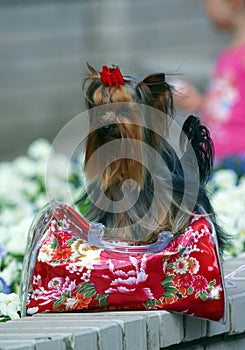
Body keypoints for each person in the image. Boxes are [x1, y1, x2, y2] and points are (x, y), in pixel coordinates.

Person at [174, 0, 245, 174]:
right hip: (217, 160)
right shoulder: (229, 53)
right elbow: (230, 107)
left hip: (237, 161)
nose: (205, 8)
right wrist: (200, 103)